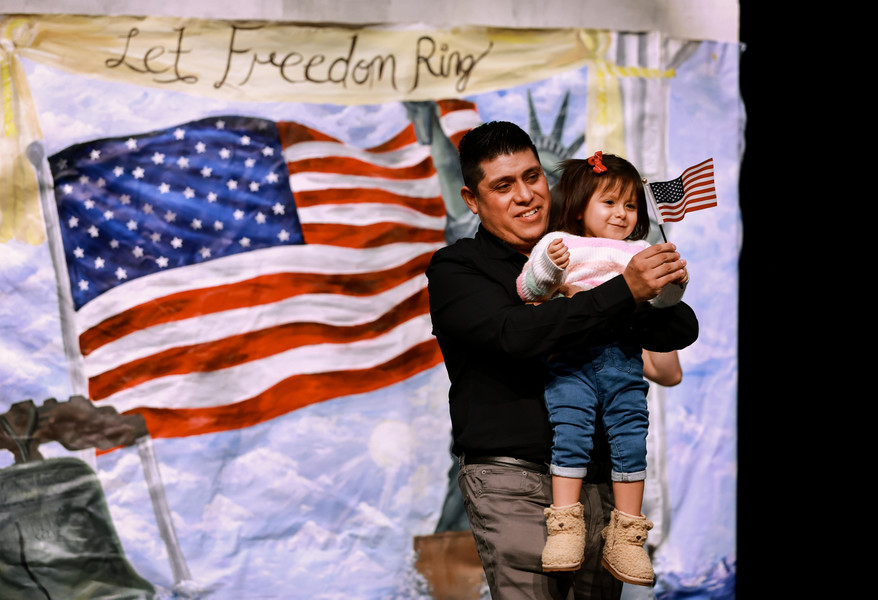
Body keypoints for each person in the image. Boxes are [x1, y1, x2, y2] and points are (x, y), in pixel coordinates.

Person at [426, 121, 697, 600]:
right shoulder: (458, 268)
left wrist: (655, 283)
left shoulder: (596, 256)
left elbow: (679, 328)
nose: (526, 195)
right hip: (513, 479)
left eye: (532, 177)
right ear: (472, 199)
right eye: (503, 185)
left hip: (599, 481)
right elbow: (515, 335)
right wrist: (622, 292)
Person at [516, 153, 688, 585]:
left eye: (630, 206)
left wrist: (672, 288)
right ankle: (565, 529)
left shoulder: (641, 251)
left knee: (631, 435)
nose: (621, 214)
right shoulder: (560, 242)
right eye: (609, 203)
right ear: (579, 208)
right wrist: (551, 269)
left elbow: (659, 309)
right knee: (569, 432)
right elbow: (528, 288)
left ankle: (627, 535)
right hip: (569, 360)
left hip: (622, 359)